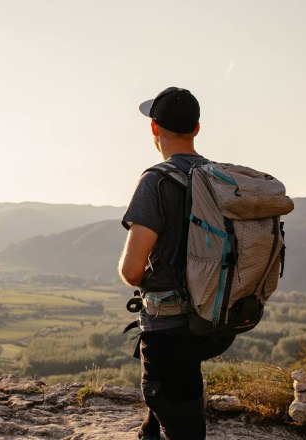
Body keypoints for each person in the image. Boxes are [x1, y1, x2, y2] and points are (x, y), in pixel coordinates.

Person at [118, 87, 235, 440]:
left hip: (170, 329)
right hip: (217, 321)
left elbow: (132, 271)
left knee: (177, 412)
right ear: (197, 128)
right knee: (170, 402)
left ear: (154, 128)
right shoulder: (220, 177)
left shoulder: (156, 181)